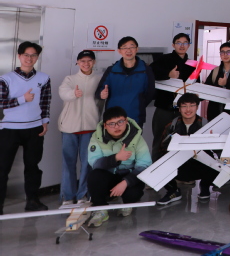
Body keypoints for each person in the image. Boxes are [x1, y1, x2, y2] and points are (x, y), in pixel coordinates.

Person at [0, 41, 51, 213]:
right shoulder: (6, 79)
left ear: (37, 57)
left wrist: (45, 121)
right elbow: (1, 102)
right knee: (2, 168)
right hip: (9, 129)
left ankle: (32, 201)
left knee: (33, 167)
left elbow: (45, 102)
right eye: (26, 55)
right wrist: (22, 99)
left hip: (34, 128)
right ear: (19, 56)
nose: (30, 58)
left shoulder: (44, 78)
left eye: (33, 55)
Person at [86, 106, 152, 227]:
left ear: (126, 121)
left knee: (133, 194)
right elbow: (95, 163)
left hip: (129, 175)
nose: (116, 127)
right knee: (94, 176)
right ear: (105, 125)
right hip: (109, 175)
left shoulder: (137, 138)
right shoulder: (97, 137)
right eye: (111, 124)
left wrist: (126, 182)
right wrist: (116, 158)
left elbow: (144, 165)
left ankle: (128, 204)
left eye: (120, 122)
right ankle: (101, 209)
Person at [155, 93, 219, 205]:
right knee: (158, 164)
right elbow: (162, 148)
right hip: (180, 163)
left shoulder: (205, 124)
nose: (188, 109)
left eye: (192, 105)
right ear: (179, 108)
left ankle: (204, 186)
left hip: (200, 163)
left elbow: (216, 148)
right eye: (184, 106)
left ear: (197, 107)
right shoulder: (172, 125)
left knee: (218, 165)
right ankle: (173, 190)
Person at [58, 50, 103, 208]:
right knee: (68, 163)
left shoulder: (98, 79)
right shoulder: (70, 79)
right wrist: (74, 93)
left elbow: (101, 100)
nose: (86, 63)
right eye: (82, 61)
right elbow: (63, 93)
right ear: (77, 62)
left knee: (87, 163)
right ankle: (67, 196)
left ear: (94, 62)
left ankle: (83, 194)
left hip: (90, 127)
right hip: (69, 127)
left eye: (89, 60)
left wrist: (103, 95)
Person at [150, 33, 197, 157]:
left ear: (189, 45)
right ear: (173, 45)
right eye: (178, 43)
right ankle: (157, 166)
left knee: (183, 141)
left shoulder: (192, 64)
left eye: (185, 43)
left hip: (185, 110)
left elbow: (197, 86)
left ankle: (180, 168)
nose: (182, 45)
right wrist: (168, 74)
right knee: (160, 140)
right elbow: (150, 72)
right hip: (164, 108)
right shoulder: (164, 59)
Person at [95, 36, 155, 127]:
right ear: (119, 51)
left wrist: (139, 104)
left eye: (132, 47)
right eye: (124, 47)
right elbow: (99, 91)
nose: (128, 50)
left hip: (135, 118)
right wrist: (101, 94)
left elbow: (150, 93)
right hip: (113, 118)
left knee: (134, 137)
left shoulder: (146, 70)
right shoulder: (112, 70)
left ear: (137, 49)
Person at [204, 42, 230, 121]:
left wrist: (227, 83)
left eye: (228, 52)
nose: (225, 55)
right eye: (222, 52)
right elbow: (207, 89)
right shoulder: (215, 71)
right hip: (216, 111)